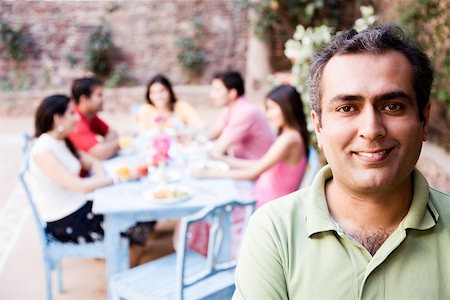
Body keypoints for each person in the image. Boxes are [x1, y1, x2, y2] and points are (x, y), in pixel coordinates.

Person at [234, 24, 450, 299]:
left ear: (424, 120)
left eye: (392, 106)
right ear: (319, 127)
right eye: (347, 108)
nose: (371, 130)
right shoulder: (275, 232)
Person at [201, 84, 309, 208]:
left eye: (272, 108)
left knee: (212, 202)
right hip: (264, 195)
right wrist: (224, 160)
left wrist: (209, 174)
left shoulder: (289, 139)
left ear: (288, 108)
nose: (268, 115)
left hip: (269, 205)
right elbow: (260, 164)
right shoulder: (290, 135)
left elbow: (254, 172)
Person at [29, 95, 115, 243]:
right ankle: (118, 261)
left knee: (130, 216)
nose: (77, 118)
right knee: (131, 226)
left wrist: (100, 179)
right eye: (71, 113)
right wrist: (115, 179)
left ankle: (118, 258)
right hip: (65, 218)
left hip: (80, 205)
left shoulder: (62, 139)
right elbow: (80, 186)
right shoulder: (43, 151)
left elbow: (93, 162)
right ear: (58, 118)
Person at [209, 71, 274, 159]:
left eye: (217, 90)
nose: (212, 95)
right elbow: (214, 133)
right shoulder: (229, 108)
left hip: (257, 167)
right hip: (243, 163)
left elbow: (219, 148)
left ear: (232, 93)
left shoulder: (245, 112)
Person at [68, 77, 119, 160]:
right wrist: (118, 144)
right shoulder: (76, 121)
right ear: (84, 99)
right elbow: (100, 154)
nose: (103, 99)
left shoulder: (90, 116)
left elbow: (112, 132)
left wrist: (106, 147)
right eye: (99, 95)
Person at [136, 74, 203, 132]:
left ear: (169, 91)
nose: (158, 96)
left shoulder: (180, 106)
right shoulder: (145, 110)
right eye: (153, 92)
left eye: (162, 91)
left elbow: (199, 125)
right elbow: (140, 132)